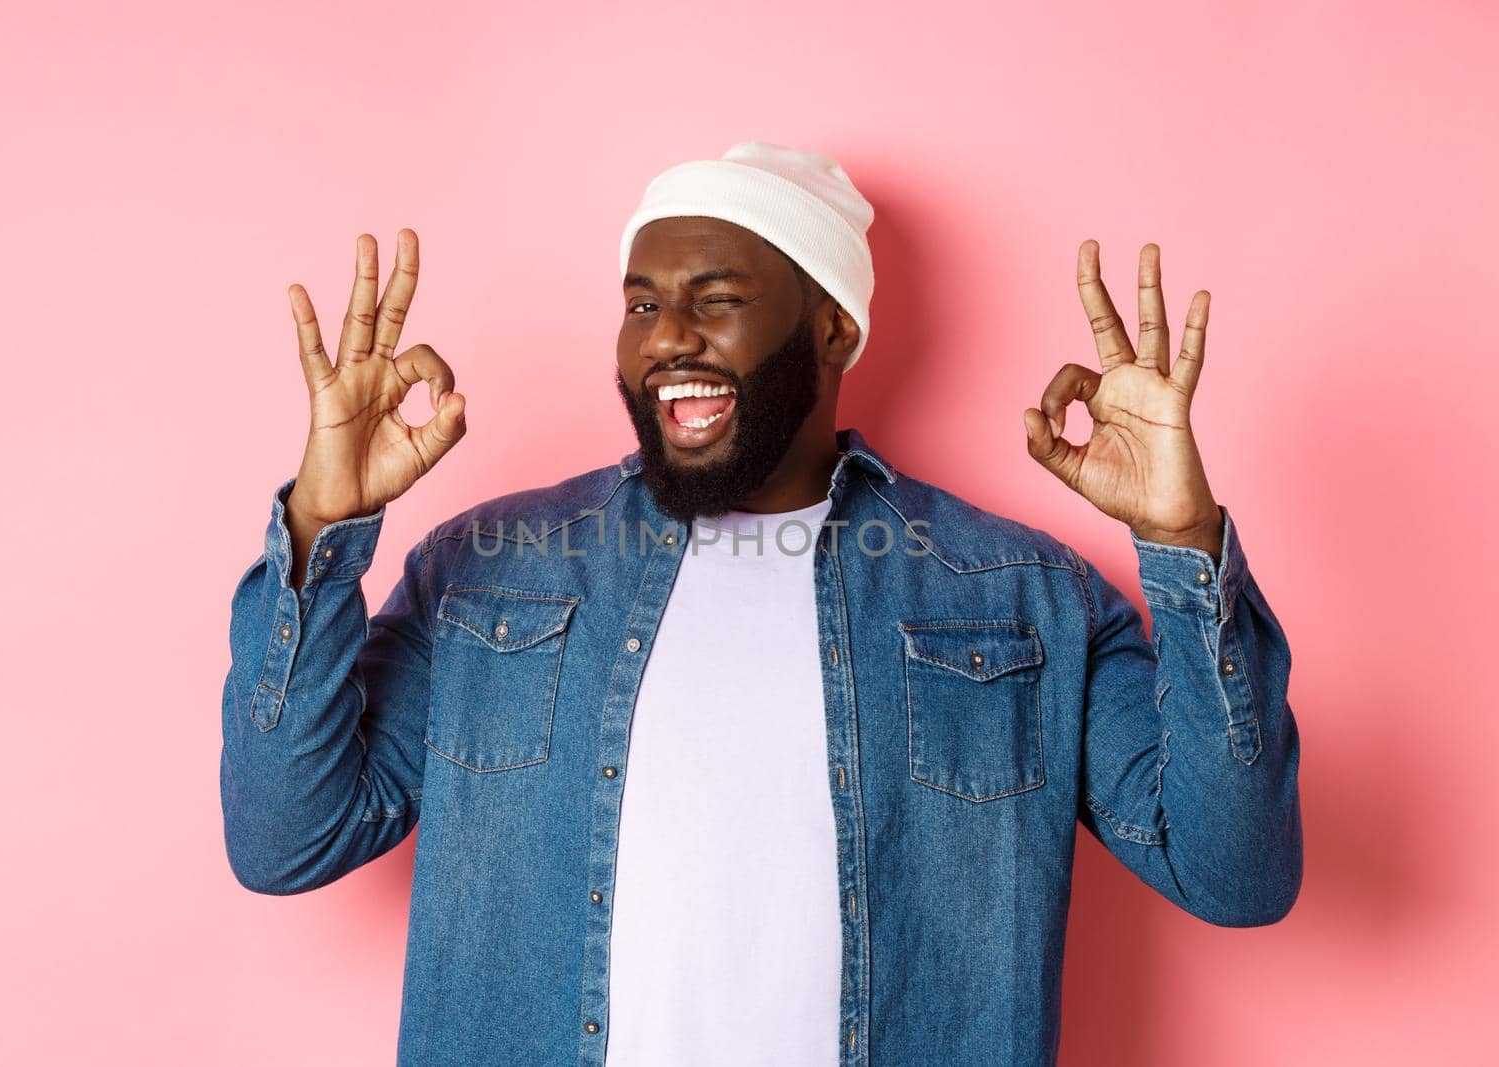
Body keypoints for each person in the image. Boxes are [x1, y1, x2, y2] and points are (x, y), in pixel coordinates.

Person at [220, 141, 1303, 1066]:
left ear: (832, 328)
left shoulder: (1023, 595)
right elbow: (285, 837)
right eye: (642, 303)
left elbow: (1234, 872)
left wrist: (1179, 541)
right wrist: (320, 530)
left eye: (716, 299)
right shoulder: (491, 569)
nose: (666, 338)